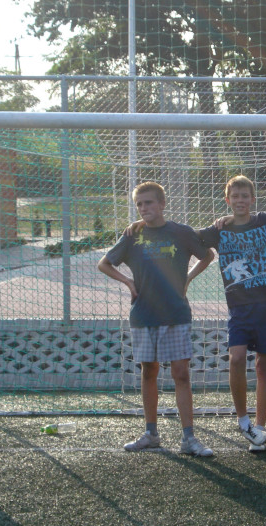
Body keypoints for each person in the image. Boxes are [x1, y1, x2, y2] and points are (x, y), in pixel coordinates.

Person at [98, 181, 215, 456]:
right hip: (144, 314)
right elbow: (104, 263)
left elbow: (208, 255)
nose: (143, 208)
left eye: (149, 202)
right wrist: (128, 282)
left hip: (175, 313)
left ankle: (189, 439)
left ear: (162, 204)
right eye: (139, 204)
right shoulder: (132, 235)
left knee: (180, 374)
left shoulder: (180, 232)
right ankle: (151, 434)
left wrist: (187, 278)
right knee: (148, 371)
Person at [197, 175, 266, 452]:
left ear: (253, 199)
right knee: (236, 358)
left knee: (264, 364)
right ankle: (244, 421)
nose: (240, 200)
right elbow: (185, 236)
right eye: (235, 196)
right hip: (239, 307)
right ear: (227, 200)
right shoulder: (219, 230)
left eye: (245, 195)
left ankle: (260, 427)